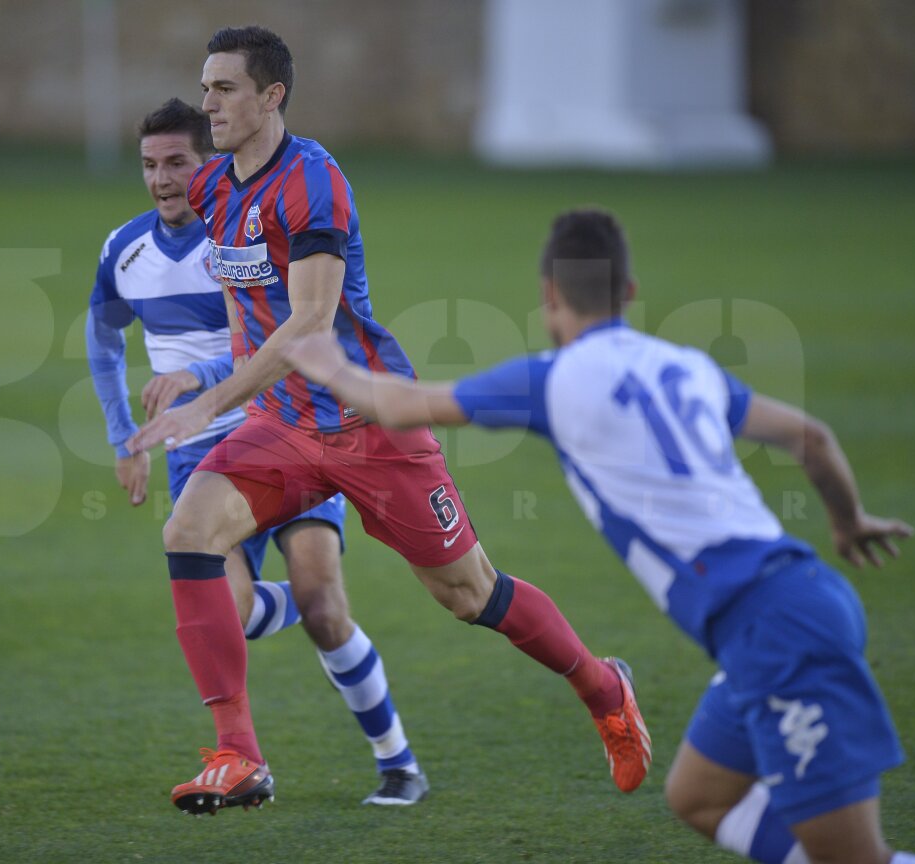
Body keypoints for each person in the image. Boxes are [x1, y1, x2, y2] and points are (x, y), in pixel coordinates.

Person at [284, 209, 915, 864]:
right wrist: (848, 521)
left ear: (550, 297)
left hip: (778, 633)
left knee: (853, 859)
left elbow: (393, 406)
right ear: (631, 294)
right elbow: (810, 438)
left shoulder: (551, 379)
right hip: (799, 600)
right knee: (698, 797)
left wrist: (323, 359)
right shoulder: (686, 366)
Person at [126, 27, 652, 816]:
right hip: (284, 429)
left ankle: (604, 688)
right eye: (205, 88)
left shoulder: (313, 180)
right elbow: (246, 299)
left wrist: (208, 401)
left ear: (272, 96)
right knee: (189, 531)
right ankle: (237, 757)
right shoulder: (212, 191)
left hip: (372, 422)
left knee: (471, 595)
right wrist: (218, 377)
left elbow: (307, 325)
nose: (209, 103)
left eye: (225, 88)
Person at [87, 98, 428, 806]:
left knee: (326, 604)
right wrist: (126, 439)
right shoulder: (126, 250)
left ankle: (397, 761)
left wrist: (202, 380)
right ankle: (252, 738)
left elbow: (291, 337)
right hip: (200, 460)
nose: (162, 179)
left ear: (207, 161)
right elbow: (102, 340)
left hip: (292, 430)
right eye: (149, 165)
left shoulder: (247, 233)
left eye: (178, 162)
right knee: (235, 614)